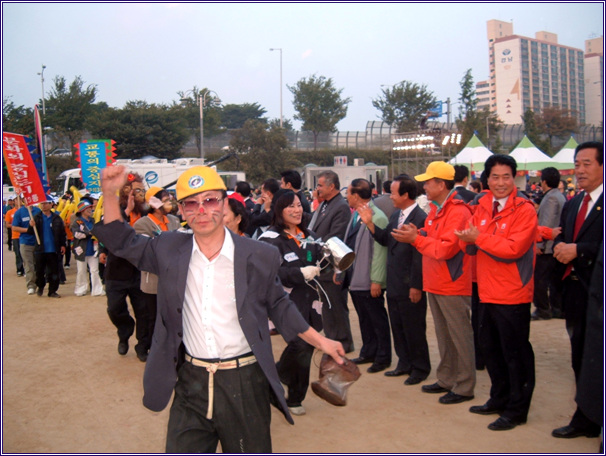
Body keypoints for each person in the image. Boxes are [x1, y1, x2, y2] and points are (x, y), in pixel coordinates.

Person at [93, 165, 344, 453]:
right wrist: (109, 194)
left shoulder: (258, 255)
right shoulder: (168, 248)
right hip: (191, 381)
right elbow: (121, 240)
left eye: (210, 200)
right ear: (183, 211)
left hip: (245, 381)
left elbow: (279, 305)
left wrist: (321, 341)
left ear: (225, 204)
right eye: (191, 203)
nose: (202, 210)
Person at [455, 154, 538, 431]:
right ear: (486, 179)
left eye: (506, 176)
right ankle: (498, 398)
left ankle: (516, 409)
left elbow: (513, 249)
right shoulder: (482, 205)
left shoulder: (524, 209)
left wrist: (477, 238)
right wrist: (469, 240)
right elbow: (472, 241)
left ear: (514, 177)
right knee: (490, 349)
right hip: (484, 289)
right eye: (495, 177)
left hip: (512, 293)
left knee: (514, 353)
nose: (500, 182)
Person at [396, 161, 476, 405]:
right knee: (444, 335)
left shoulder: (458, 211)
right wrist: (418, 234)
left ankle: (464, 385)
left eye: (428, 182)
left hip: (452, 283)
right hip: (437, 281)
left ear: (441, 184)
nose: (425, 186)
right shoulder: (437, 209)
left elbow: (446, 249)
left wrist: (416, 240)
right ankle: (446, 377)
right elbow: (434, 239)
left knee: (459, 336)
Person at [552, 141, 603, 440]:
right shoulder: (573, 203)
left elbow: (587, 247)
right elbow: (566, 239)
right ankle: (585, 416)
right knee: (580, 355)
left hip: (598, 294)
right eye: (577, 163)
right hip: (574, 292)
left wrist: (579, 250)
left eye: (587, 163)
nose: (580, 170)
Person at [359, 174, 430, 385]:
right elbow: (385, 240)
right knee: (398, 326)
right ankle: (404, 363)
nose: (390, 196)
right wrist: (370, 224)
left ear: (406, 194)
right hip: (395, 282)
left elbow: (419, 255)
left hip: (410, 284)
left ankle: (420, 368)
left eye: (394, 192)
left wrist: (417, 285)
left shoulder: (420, 218)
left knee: (414, 327)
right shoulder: (396, 215)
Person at [258, 190, 323, 416]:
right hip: (284, 303)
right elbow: (272, 271)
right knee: (300, 344)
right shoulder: (269, 239)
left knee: (307, 347)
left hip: (311, 301)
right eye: (290, 206)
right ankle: (278, 380)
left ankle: (294, 396)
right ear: (278, 210)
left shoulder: (310, 235)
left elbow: (321, 259)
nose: (297, 210)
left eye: (299, 205)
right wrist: (299, 273)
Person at [98, 172, 152, 360]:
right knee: (114, 308)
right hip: (116, 271)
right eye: (130, 189)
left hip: (140, 271)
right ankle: (124, 330)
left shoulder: (148, 212)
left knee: (144, 312)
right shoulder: (116, 211)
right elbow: (107, 232)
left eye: (139, 190)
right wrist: (102, 251)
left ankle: (142, 346)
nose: (135, 194)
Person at [339, 178, 391, 373]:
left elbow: (379, 253)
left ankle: (383, 356)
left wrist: (376, 280)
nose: (347, 198)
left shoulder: (376, 216)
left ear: (356, 196)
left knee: (377, 319)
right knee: (364, 317)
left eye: (349, 194)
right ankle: (369, 351)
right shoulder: (355, 215)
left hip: (368, 278)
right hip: (355, 275)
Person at [132, 186, 183, 362]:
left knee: (171, 316)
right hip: (152, 280)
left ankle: (167, 347)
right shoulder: (142, 224)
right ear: (154, 203)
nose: (169, 202)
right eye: (165, 199)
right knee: (150, 316)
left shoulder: (174, 221)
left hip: (174, 279)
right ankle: (143, 345)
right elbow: (146, 250)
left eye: (169, 199)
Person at [307, 170, 355, 353]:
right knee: (327, 303)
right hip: (322, 262)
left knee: (336, 303)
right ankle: (332, 337)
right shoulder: (325, 204)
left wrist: (315, 244)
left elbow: (336, 236)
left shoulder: (340, 206)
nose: (317, 189)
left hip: (333, 262)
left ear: (331, 186)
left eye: (320, 185)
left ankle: (343, 341)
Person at [532, 167, 566, 320]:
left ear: (544, 182)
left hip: (548, 247)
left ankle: (543, 309)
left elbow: (547, 223)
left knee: (539, 279)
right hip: (556, 246)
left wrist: (539, 245)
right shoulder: (559, 196)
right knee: (555, 280)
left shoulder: (550, 198)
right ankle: (557, 308)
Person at [27, 196, 66, 298]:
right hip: (40, 249)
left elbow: (62, 233)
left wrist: (63, 245)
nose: (43, 206)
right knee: (39, 271)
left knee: (54, 271)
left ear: (51, 204)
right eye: (42, 204)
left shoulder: (57, 218)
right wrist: (31, 226)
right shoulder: (36, 217)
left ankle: (52, 291)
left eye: (46, 203)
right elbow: (30, 232)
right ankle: (40, 286)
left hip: (53, 249)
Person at [71, 201, 104, 297]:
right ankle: (81, 289)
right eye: (87, 208)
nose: (90, 209)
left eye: (90, 207)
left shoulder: (93, 220)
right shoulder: (76, 222)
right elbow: (76, 234)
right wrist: (88, 234)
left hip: (93, 249)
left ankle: (97, 289)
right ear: (82, 211)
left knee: (94, 270)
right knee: (81, 271)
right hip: (81, 250)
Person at [12, 198, 41, 295]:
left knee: (38, 264)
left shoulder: (38, 211)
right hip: (25, 243)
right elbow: (14, 227)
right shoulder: (19, 212)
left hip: (37, 242)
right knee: (29, 265)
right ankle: (31, 285)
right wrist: (28, 229)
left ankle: (40, 283)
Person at [5, 196, 24, 276]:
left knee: (25, 254)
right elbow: (7, 224)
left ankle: (26, 269)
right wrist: (16, 225)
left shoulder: (25, 211)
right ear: (13, 201)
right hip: (15, 236)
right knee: (18, 253)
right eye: (16, 200)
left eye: (20, 199)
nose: (18, 201)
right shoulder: (10, 212)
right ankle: (19, 269)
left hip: (25, 235)